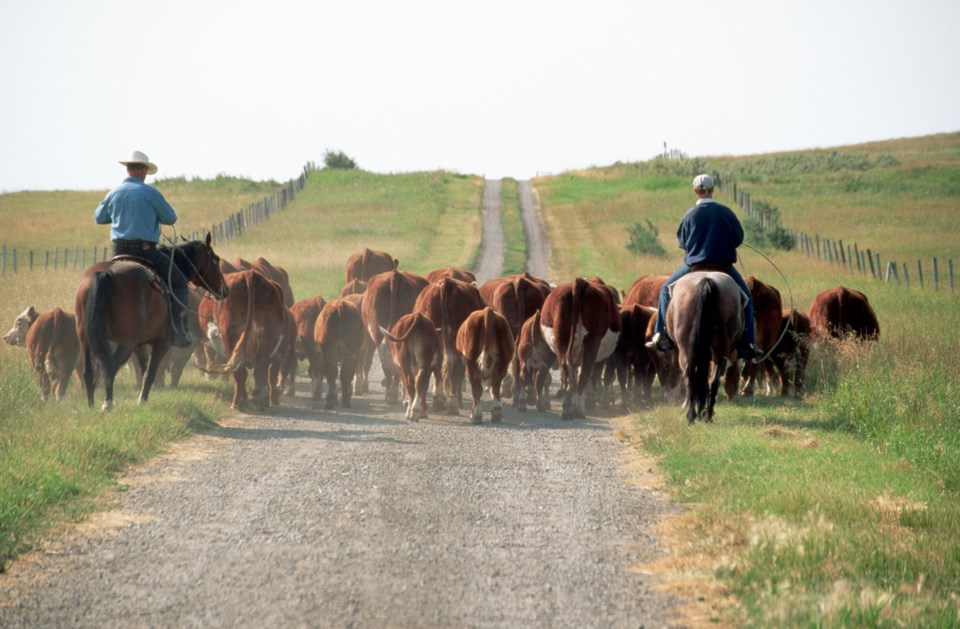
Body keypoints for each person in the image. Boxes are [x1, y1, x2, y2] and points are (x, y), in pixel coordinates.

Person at [645, 174, 762, 360]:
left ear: (695, 191)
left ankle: (662, 334)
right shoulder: (726, 212)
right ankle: (748, 342)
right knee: (747, 297)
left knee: (666, 291)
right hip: (723, 267)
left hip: (694, 267)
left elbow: (683, 243)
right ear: (712, 189)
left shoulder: (689, 215)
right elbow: (738, 238)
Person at [94, 150, 193, 348]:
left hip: (118, 251)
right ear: (143, 170)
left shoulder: (113, 193)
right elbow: (170, 218)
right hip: (145, 251)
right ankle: (178, 331)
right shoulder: (151, 193)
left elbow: (99, 217)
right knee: (179, 282)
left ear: (128, 169)